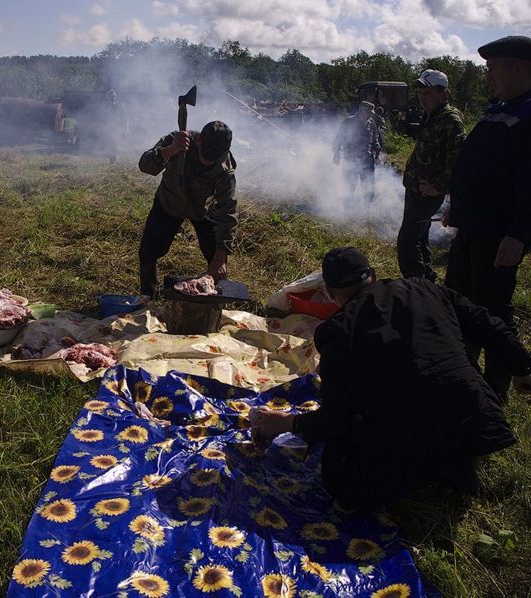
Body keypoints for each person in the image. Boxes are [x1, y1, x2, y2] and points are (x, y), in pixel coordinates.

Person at [251, 247, 531, 509]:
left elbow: (336, 419)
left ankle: (420, 471)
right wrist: (522, 367)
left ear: (329, 291)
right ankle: (453, 465)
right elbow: (488, 324)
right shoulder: (424, 288)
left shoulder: (337, 332)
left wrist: (286, 423)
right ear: (372, 275)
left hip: (409, 435)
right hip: (476, 418)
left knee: (338, 476)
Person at [444, 35, 531, 403]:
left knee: (492, 312)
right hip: (472, 229)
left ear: (518, 67)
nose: (488, 76)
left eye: (494, 68)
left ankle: (497, 390)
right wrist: (457, 207)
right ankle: (463, 376)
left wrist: (519, 233)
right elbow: (478, 167)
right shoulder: (500, 109)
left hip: (498, 236)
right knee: (459, 302)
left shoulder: (527, 115)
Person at [138, 121, 236, 298]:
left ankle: (215, 299)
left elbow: (227, 212)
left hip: (203, 210)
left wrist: (221, 257)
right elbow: (145, 165)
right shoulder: (177, 140)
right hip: (169, 203)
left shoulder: (224, 169)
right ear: (198, 139)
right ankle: (147, 297)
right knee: (148, 252)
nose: (207, 162)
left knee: (217, 258)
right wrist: (171, 149)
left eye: (212, 159)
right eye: (204, 155)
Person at [396, 70, 466, 281]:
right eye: (420, 92)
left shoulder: (451, 121)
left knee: (407, 242)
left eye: (427, 93)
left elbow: (458, 161)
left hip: (427, 193)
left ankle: (416, 285)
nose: (421, 97)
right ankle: (427, 280)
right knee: (419, 238)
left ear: (443, 93)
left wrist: (438, 187)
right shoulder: (430, 115)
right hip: (417, 189)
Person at [332, 101, 380, 204]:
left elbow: (375, 139)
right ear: (361, 111)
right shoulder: (348, 122)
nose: (370, 116)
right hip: (351, 159)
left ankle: (367, 209)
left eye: (371, 114)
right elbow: (338, 138)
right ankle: (347, 209)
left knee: (368, 186)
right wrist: (336, 153)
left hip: (367, 161)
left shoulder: (372, 123)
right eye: (368, 113)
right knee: (349, 185)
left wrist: (377, 152)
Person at [103, 90, 128, 164]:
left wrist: (126, 128)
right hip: (108, 127)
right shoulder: (105, 107)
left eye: (113, 96)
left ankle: (113, 159)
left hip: (117, 127)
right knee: (110, 143)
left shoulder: (119, 106)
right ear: (108, 97)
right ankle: (112, 158)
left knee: (114, 143)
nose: (112, 97)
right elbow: (102, 118)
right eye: (111, 96)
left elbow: (125, 117)